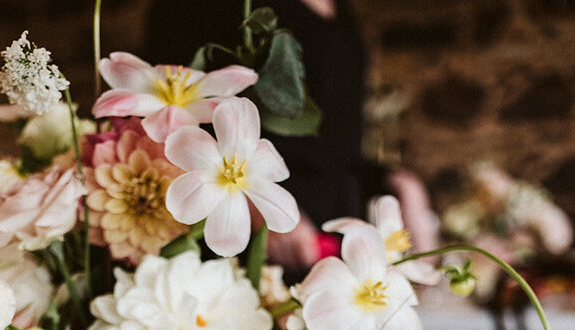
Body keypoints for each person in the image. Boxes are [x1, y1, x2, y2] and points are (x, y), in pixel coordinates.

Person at [143, 0, 437, 274]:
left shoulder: (343, 13)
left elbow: (336, 148)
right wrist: (259, 207)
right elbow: (167, 117)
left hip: (331, 238)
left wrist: (399, 182)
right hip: (245, 237)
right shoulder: (201, 7)